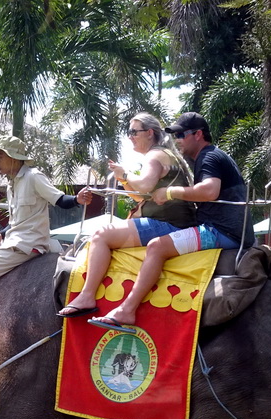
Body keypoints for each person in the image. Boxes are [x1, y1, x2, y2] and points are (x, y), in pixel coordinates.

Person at [90, 112, 255, 330]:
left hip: (221, 231)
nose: (177, 140)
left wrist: (169, 192)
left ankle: (127, 309)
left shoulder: (209, 157)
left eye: (181, 134)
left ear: (198, 134)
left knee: (157, 247)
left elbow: (209, 191)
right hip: (225, 229)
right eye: (174, 135)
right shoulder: (207, 157)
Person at [58, 113, 194, 318]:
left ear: (150, 133)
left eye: (133, 132)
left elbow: (146, 185)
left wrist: (126, 173)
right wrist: (123, 177)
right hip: (174, 222)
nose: (130, 136)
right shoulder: (164, 154)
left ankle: (87, 295)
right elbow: (140, 196)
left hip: (167, 224)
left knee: (100, 236)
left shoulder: (155, 156)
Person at [0, 135, 92, 289]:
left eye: (0, 157)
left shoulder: (34, 176)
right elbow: (17, 221)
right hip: (12, 240)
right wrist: (1, 234)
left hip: (27, 245)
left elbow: (60, 200)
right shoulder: (12, 185)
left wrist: (77, 199)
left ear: (14, 158)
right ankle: (2, 261)